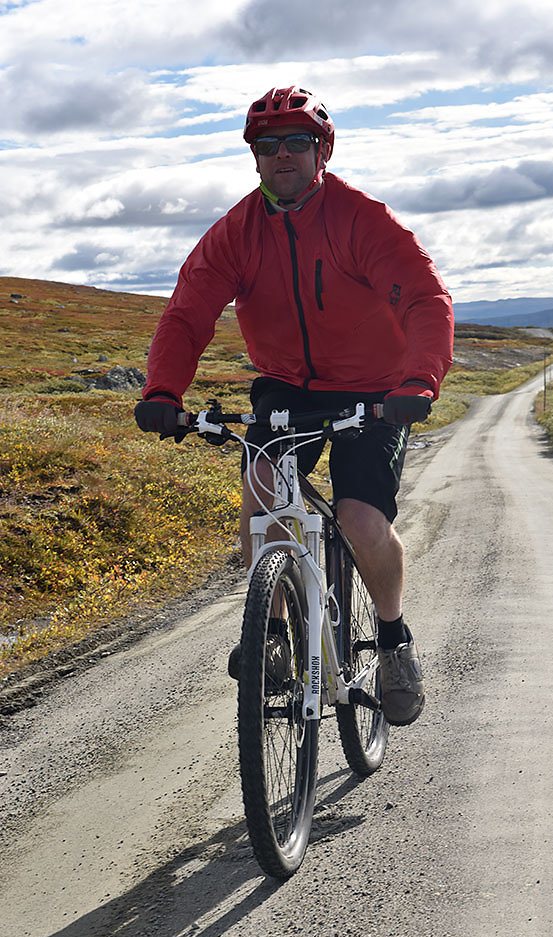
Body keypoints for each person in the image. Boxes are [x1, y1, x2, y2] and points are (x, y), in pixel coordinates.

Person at [135, 86, 454, 726]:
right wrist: (164, 392)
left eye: (297, 142)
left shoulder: (362, 220)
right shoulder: (235, 232)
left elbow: (424, 298)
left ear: (321, 150)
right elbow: (188, 315)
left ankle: (392, 640)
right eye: (267, 144)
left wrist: (418, 382)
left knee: (361, 519)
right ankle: (274, 635)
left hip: (376, 389)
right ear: (254, 157)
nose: (282, 154)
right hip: (286, 386)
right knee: (263, 490)